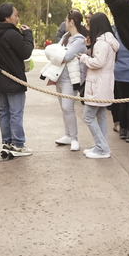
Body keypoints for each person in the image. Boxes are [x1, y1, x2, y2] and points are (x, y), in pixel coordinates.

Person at [0, 3, 34, 155]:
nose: (17, 18)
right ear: (7, 18)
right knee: (16, 113)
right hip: (14, 79)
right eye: (15, 15)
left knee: (4, 112)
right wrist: (28, 34)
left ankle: (7, 143)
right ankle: (18, 144)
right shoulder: (11, 34)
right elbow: (25, 52)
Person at [42, 10, 89, 152]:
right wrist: (56, 54)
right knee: (64, 108)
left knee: (68, 108)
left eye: (66, 20)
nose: (65, 22)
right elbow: (56, 54)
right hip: (59, 77)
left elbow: (65, 56)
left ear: (71, 22)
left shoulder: (79, 40)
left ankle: (74, 139)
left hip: (71, 80)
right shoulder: (65, 36)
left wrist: (56, 53)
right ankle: (68, 135)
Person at [78, 12, 119, 159]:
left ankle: (103, 148)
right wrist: (89, 47)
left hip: (97, 85)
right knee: (101, 116)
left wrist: (84, 58)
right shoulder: (109, 40)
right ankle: (101, 145)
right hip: (104, 83)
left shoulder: (102, 43)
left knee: (88, 116)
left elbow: (98, 62)